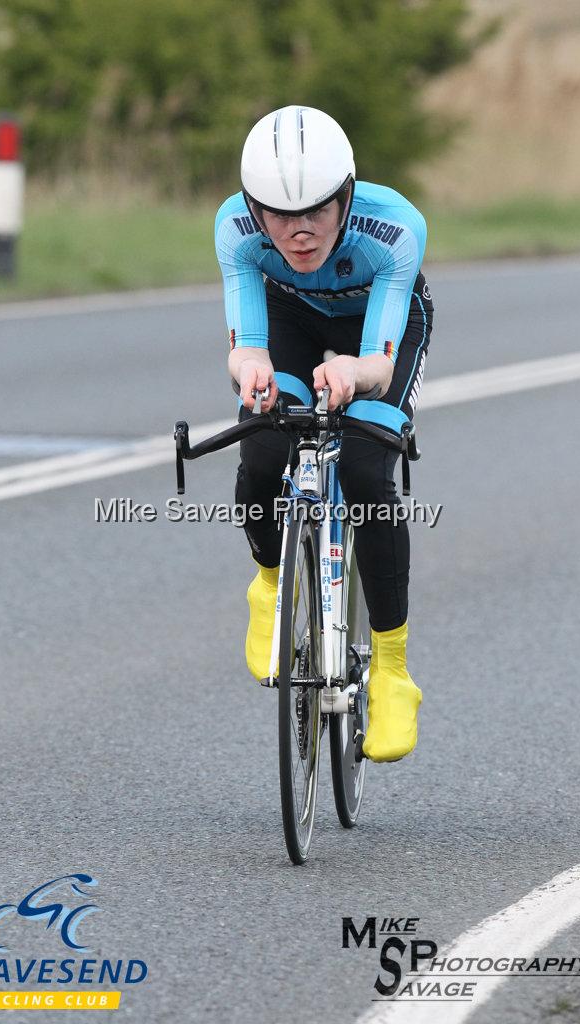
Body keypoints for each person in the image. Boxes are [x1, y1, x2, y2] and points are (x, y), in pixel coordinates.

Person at [214, 105, 433, 762]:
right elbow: (248, 346)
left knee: (367, 473)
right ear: (254, 210)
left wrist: (349, 373)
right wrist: (251, 377)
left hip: (378, 333)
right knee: (261, 449)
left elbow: (378, 363)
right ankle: (271, 583)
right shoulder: (234, 229)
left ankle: (392, 672)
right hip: (291, 321)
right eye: (278, 215)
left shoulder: (392, 229)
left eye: (315, 210)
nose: (298, 230)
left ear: (345, 196)